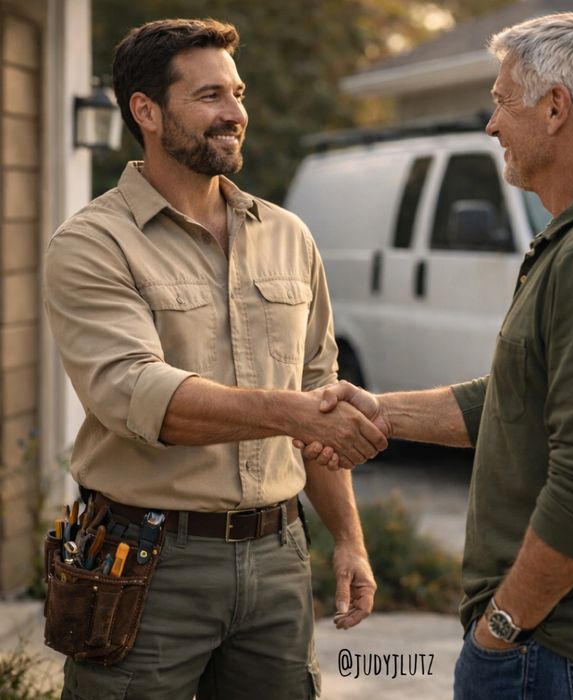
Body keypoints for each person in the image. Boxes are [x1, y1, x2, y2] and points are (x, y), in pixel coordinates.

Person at [301, 12, 573, 700]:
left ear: (554, 109)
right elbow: (517, 400)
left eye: (500, 100)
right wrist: (378, 411)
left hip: (572, 654)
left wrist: (502, 626)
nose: (490, 126)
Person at [43, 18, 388, 700]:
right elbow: (140, 395)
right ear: (146, 110)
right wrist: (299, 413)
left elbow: (319, 389)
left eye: (238, 93)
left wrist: (348, 538)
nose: (235, 114)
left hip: (279, 557)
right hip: (144, 562)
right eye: (209, 97)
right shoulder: (93, 245)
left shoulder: (288, 237)